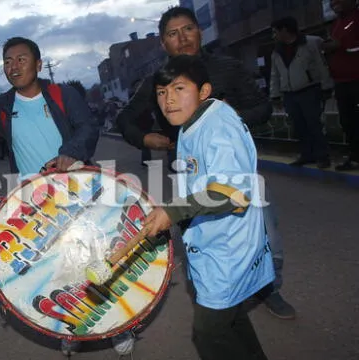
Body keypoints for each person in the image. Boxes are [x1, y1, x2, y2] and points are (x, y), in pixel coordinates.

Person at [0, 30, 132, 356]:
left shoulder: (61, 95)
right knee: (56, 267)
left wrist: (71, 151)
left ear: (38, 64)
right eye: (7, 61)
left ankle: (119, 325)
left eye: (21, 59)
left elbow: (88, 126)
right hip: (35, 205)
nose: (13, 66)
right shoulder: (1, 105)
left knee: (97, 259)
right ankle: (71, 325)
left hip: (78, 194)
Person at [116, 6, 295, 320]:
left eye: (188, 29)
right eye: (172, 34)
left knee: (265, 232)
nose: (182, 38)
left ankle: (269, 287)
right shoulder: (159, 81)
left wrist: (231, 116)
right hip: (190, 175)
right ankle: (214, 297)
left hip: (233, 170)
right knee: (202, 239)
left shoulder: (226, 67)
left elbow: (263, 108)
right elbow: (124, 118)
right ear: (162, 43)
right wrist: (146, 139)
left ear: (199, 31)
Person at [144, 55, 274, 360]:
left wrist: (173, 211)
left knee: (209, 333)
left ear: (204, 91)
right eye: (161, 93)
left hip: (228, 248)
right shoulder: (194, 123)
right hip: (214, 243)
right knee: (230, 318)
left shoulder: (218, 126)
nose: (169, 100)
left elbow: (231, 193)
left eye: (178, 89)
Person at [270, 16, 334, 169]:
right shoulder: (277, 51)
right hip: (289, 93)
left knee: (314, 124)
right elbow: (275, 74)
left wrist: (326, 86)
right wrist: (275, 94)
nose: (274, 35)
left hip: (309, 89)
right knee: (299, 125)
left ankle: (322, 156)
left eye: (275, 31)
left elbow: (321, 65)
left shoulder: (311, 43)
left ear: (284, 30)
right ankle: (306, 155)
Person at [323, 0, 359, 171]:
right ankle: (355, 157)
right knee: (348, 122)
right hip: (342, 81)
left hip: (356, 78)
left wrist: (342, 45)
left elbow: (349, 45)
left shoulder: (356, 18)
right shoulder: (338, 23)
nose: (334, 4)